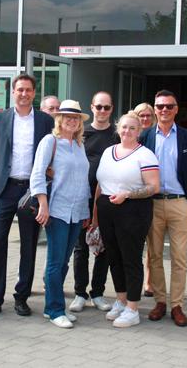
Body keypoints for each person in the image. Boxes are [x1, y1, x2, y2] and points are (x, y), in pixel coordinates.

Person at [0, 74, 54, 317]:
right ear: (13, 92)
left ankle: (22, 297)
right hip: (5, 190)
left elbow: (52, 155)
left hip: (31, 190)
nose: (24, 94)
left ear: (34, 93)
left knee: (29, 245)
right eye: (20, 89)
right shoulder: (0, 119)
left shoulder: (45, 121)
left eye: (28, 90)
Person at [139, 89, 187, 327]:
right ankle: (160, 302)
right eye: (160, 106)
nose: (164, 110)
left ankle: (177, 305)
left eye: (169, 106)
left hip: (179, 203)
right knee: (154, 256)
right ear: (155, 109)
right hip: (152, 204)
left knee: (179, 258)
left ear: (176, 109)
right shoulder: (145, 136)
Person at [94, 113, 160, 328]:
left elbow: (153, 187)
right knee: (114, 256)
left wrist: (128, 195)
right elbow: (99, 185)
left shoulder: (145, 155)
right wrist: (95, 215)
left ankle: (133, 307)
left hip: (133, 210)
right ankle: (121, 300)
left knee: (130, 258)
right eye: (124, 127)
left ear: (139, 131)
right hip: (107, 208)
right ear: (117, 128)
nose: (127, 131)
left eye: (132, 128)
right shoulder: (107, 152)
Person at [30, 100, 91, 328]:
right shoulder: (50, 141)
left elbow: (81, 180)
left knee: (64, 261)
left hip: (77, 211)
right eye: (67, 117)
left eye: (76, 118)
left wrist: (85, 210)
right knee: (55, 262)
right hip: (57, 210)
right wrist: (43, 205)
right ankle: (56, 310)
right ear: (59, 119)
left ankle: (50, 306)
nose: (72, 121)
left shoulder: (78, 144)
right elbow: (37, 175)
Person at [69, 91, 116, 313]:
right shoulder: (80, 133)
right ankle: (79, 293)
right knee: (80, 248)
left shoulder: (117, 135)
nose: (102, 111)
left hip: (107, 199)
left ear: (112, 109)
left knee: (103, 247)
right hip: (80, 197)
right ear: (92, 107)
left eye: (107, 107)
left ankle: (97, 293)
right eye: (99, 107)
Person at [132, 102, 157, 298]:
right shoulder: (128, 137)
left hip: (153, 195)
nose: (145, 119)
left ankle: (149, 281)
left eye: (149, 115)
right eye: (141, 115)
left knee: (152, 243)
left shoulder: (155, 137)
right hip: (133, 197)